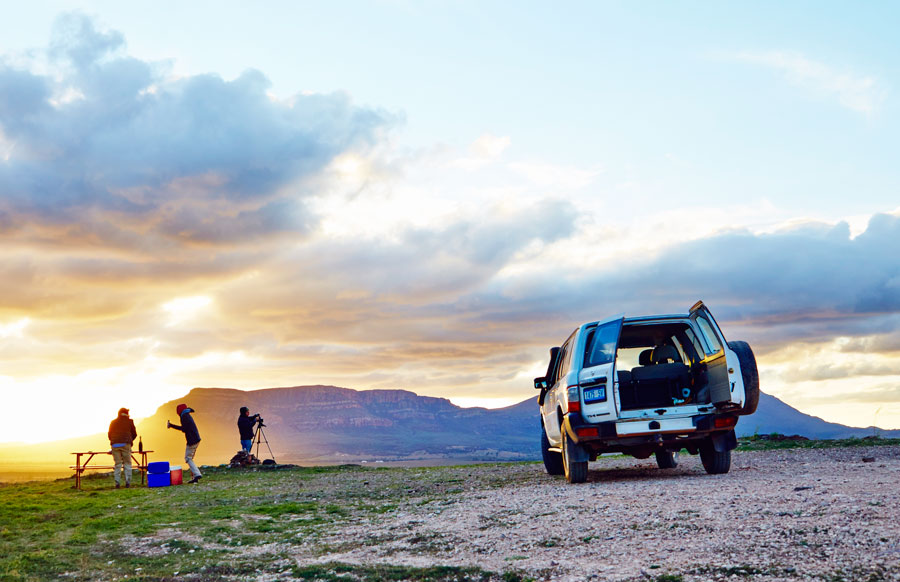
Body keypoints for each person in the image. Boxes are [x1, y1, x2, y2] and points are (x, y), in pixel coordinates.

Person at [167, 403, 202, 483]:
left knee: (188, 458)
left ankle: (197, 474)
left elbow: (183, 429)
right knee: (190, 458)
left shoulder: (184, 417)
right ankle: (195, 478)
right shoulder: (187, 415)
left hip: (192, 440)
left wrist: (171, 425)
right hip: (196, 439)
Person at [108, 407, 137, 488]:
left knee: (118, 464)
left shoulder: (113, 422)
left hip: (114, 445)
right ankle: (127, 482)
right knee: (127, 463)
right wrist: (129, 440)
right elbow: (134, 434)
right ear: (127, 413)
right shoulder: (130, 421)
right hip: (125, 444)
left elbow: (109, 434)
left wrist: (114, 441)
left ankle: (117, 483)